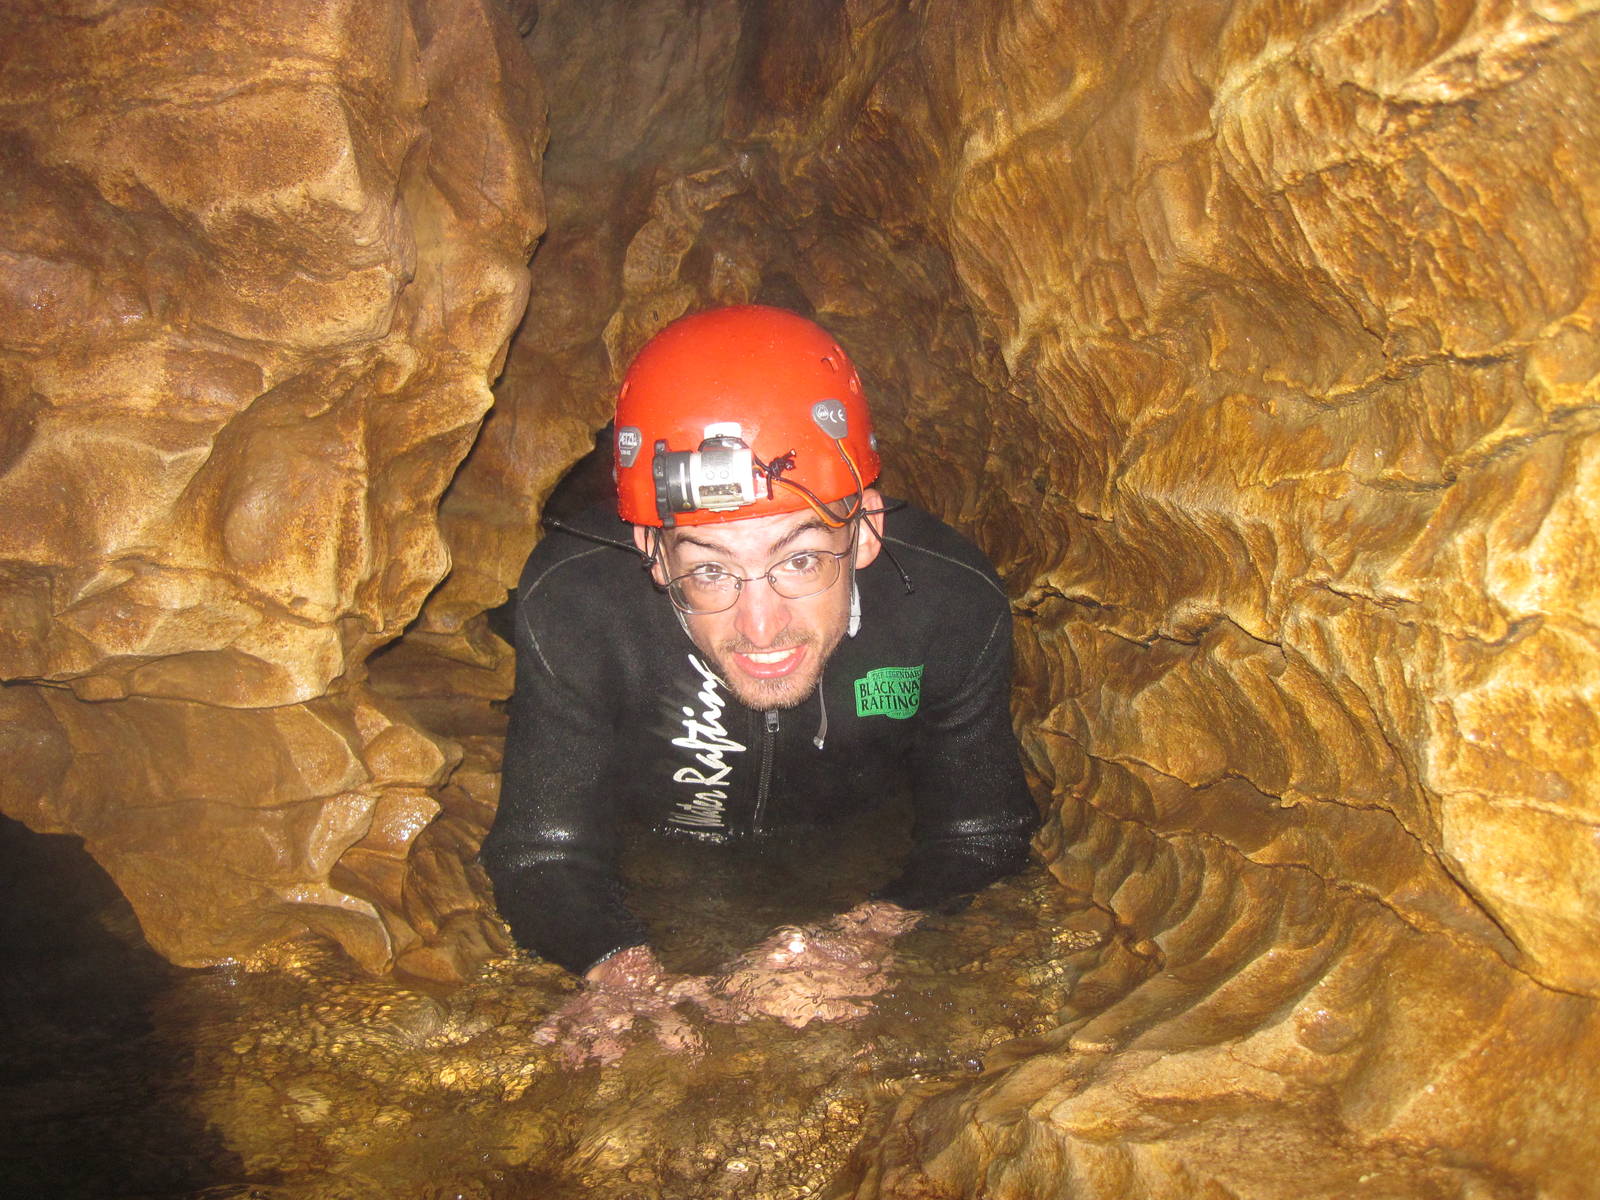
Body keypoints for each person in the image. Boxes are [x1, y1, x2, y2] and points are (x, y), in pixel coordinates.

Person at [480, 305, 1037, 1062]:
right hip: (656, 853)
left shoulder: (947, 604)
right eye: (708, 569)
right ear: (652, 551)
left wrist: (871, 932)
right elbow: (543, 849)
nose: (762, 626)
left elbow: (982, 830)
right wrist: (618, 969)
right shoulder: (579, 606)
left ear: (866, 530)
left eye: (802, 560)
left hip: (853, 843)